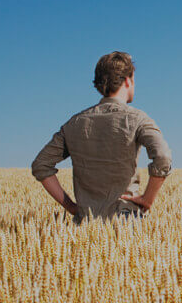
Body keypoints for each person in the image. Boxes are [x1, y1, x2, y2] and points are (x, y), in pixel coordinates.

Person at [31, 51, 172, 225]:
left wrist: (72, 207)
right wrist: (147, 199)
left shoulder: (74, 123)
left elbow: (40, 165)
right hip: (126, 221)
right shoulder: (138, 119)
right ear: (128, 80)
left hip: (85, 223)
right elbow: (163, 157)